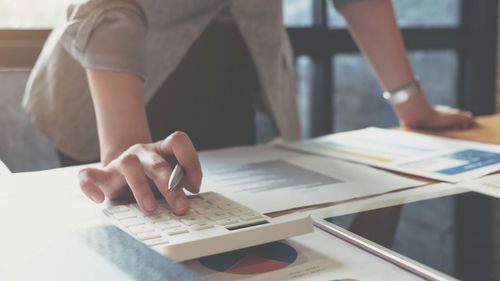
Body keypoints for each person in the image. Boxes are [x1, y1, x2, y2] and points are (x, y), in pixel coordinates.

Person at [23, 0, 475, 215]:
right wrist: (124, 145)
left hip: (228, 70)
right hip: (110, 76)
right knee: (138, 218)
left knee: (213, 225)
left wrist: (410, 103)